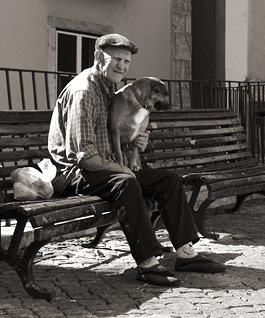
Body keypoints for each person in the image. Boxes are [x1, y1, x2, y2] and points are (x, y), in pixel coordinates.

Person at [48, 33, 225, 287]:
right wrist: (123, 170)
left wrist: (134, 144)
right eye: (116, 59)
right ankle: (147, 263)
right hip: (75, 174)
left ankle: (186, 254)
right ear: (99, 58)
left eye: (127, 62)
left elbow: (111, 136)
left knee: (169, 180)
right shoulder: (84, 90)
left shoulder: (108, 88)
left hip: (104, 166)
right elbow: (84, 156)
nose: (122, 66)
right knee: (126, 182)